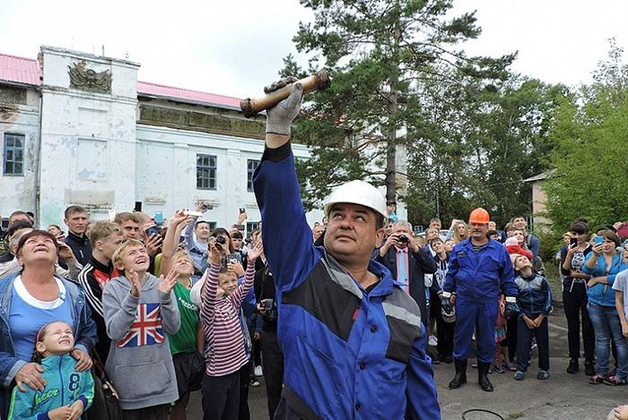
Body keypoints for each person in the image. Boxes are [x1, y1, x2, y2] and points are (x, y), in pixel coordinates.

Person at [253, 79, 439, 419]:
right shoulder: (303, 274)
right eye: (337, 214)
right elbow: (281, 210)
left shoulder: (406, 308)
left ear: (380, 234)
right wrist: (278, 131)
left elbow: (421, 399)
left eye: (358, 217)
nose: (344, 222)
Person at [0, 229, 96, 417]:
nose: (41, 243)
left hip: (68, 395)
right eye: (32, 241)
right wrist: (15, 367)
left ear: (56, 256)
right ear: (19, 258)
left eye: (47, 241)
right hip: (18, 394)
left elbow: (88, 328)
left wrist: (82, 348)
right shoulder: (3, 294)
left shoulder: (74, 292)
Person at [441, 207, 519, 392]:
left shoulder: (499, 250)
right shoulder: (459, 248)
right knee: (461, 337)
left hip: (488, 301)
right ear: (469, 226)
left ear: (487, 227)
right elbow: (451, 274)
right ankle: (460, 374)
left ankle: (483, 377)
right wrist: (446, 294)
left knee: (486, 338)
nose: (476, 228)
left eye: (480, 225)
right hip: (465, 300)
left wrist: (511, 299)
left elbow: (507, 277)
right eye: (473, 224)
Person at [102, 239, 181, 418]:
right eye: (132, 253)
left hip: (159, 382)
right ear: (120, 264)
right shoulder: (112, 288)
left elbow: (173, 327)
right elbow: (114, 331)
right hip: (126, 384)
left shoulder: (162, 284)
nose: (140, 254)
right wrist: (132, 298)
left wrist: (165, 297)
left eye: (142, 250)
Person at [199, 238, 259, 420]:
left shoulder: (231, 302)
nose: (230, 286)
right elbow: (209, 293)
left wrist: (251, 262)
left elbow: (246, 284)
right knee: (215, 414)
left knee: (231, 413)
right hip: (217, 376)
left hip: (236, 369)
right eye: (222, 284)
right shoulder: (207, 311)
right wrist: (215, 264)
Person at [7, 321, 94, 419]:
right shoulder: (31, 377)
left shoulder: (80, 365)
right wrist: (48, 417)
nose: (65, 335)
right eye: (57, 333)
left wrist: (82, 402)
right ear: (41, 346)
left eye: (68, 332)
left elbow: (88, 390)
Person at [582, 229, 628, 385]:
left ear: (615, 243)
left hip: (614, 304)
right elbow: (586, 270)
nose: (606, 245)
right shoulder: (594, 255)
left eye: (609, 241)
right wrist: (594, 255)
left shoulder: (621, 257)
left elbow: (621, 277)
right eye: (603, 242)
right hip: (595, 303)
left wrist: (597, 279)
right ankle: (601, 372)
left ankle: (621, 374)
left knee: (619, 340)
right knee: (601, 339)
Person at [375, 221, 438, 329]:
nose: (401, 235)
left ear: (412, 234)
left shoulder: (417, 251)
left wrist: (416, 249)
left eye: (405, 232)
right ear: (391, 234)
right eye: (398, 232)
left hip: (414, 302)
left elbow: (432, 268)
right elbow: (371, 267)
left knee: (416, 337)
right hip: (391, 303)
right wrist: (385, 246)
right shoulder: (384, 250)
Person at [78, 221, 124, 362]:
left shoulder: (120, 269)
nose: (121, 248)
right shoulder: (87, 275)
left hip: (126, 340)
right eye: (118, 243)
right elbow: (104, 313)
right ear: (99, 245)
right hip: (105, 344)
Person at [560, 220, 595, 375]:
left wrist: (578, 274)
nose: (577, 237)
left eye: (580, 233)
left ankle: (589, 359)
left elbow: (593, 272)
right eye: (574, 233)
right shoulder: (566, 249)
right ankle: (573, 358)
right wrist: (569, 254)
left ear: (586, 234)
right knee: (572, 325)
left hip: (588, 290)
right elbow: (565, 271)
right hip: (571, 290)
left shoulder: (592, 249)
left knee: (588, 326)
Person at [512, 255, 552, 381]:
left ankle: (544, 368)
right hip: (525, 315)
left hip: (540, 315)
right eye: (519, 260)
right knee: (523, 343)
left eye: (525, 258)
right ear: (517, 267)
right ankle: (521, 368)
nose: (523, 260)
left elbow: (548, 299)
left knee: (542, 342)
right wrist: (524, 317)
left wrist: (542, 316)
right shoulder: (516, 282)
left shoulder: (541, 280)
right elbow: (515, 301)